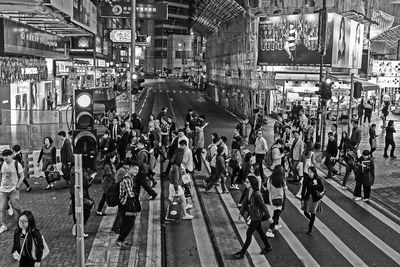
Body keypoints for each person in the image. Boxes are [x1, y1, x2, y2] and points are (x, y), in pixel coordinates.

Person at [234, 175, 273, 259]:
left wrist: (269, 217)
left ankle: (242, 252)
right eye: (246, 181)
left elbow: (263, 206)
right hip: (253, 215)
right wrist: (241, 213)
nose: (245, 183)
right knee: (260, 232)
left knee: (249, 233)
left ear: (252, 183)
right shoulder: (248, 191)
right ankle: (268, 246)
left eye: (247, 182)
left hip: (257, 217)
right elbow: (245, 203)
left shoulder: (257, 194)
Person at [116, 160, 140, 247]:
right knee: (130, 222)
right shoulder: (127, 179)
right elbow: (130, 195)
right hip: (125, 205)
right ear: (130, 168)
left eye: (137, 170)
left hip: (124, 204)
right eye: (135, 169)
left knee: (126, 222)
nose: (136, 171)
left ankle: (121, 240)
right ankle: (120, 239)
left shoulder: (129, 177)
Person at [0, 149, 25, 234]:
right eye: (3, 156)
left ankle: (23, 221)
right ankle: (3, 225)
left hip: (13, 190)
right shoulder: (2, 164)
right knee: (2, 208)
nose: (4, 157)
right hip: (3, 190)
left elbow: (22, 176)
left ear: (11, 155)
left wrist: (17, 186)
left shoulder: (16, 164)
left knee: (16, 207)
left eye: (6, 156)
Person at [168, 144, 193, 220]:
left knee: (173, 200)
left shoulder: (175, 165)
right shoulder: (176, 167)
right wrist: (176, 189)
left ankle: (168, 215)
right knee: (182, 200)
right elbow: (175, 179)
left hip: (174, 185)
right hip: (176, 186)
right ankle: (185, 215)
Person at [301, 166, 325, 235]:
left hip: (315, 199)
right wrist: (302, 198)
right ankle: (311, 221)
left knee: (313, 213)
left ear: (314, 172)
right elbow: (303, 188)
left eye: (311, 172)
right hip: (308, 197)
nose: (309, 173)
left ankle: (310, 229)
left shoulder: (318, 180)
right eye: (308, 172)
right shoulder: (306, 178)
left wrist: (316, 184)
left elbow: (322, 189)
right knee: (305, 212)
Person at [70, 168, 94, 238]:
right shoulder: (81, 174)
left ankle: (77, 227)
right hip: (82, 196)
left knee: (76, 212)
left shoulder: (72, 173)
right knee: (85, 212)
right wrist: (91, 178)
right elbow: (87, 184)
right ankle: (80, 229)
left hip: (74, 195)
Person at [266, 165, 287, 238]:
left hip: (272, 198)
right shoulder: (282, 179)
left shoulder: (270, 179)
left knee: (276, 212)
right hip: (280, 199)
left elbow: (268, 188)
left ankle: (276, 225)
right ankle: (269, 230)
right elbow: (285, 189)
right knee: (276, 214)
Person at [97, 152, 117, 216]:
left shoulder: (111, 164)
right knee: (105, 196)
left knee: (105, 196)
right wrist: (115, 180)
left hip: (109, 183)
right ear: (110, 159)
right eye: (114, 158)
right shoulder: (107, 166)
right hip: (107, 184)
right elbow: (110, 175)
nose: (115, 159)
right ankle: (99, 210)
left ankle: (99, 210)